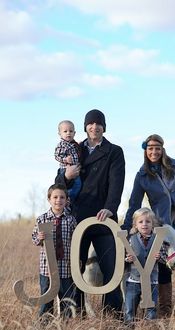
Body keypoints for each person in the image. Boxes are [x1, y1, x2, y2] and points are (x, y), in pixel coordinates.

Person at [122, 134, 175, 315]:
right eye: (150, 148)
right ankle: (165, 311)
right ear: (145, 151)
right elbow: (134, 203)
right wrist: (127, 227)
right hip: (162, 228)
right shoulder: (142, 175)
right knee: (163, 269)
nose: (154, 152)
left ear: (162, 149)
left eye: (157, 148)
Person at [55, 109, 125, 317]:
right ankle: (75, 314)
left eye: (99, 124)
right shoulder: (74, 149)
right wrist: (66, 177)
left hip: (104, 218)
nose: (94, 127)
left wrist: (110, 207)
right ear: (85, 127)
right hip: (77, 219)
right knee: (75, 268)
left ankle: (113, 315)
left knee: (112, 267)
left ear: (104, 127)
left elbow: (116, 184)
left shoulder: (114, 151)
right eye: (90, 124)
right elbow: (58, 186)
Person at [32, 183, 77, 319]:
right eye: (55, 197)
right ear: (49, 199)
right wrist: (39, 237)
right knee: (46, 299)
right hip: (47, 268)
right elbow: (34, 239)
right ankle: (45, 325)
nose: (58, 200)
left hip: (66, 268)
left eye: (62, 197)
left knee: (67, 299)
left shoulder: (70, 220)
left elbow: (75, 241)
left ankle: (67, 325)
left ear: (67, 200)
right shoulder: (42, 219)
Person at [124, 207, 167, 327]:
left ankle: (150, 329)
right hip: (134, 280)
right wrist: (128, 259)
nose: (144, 224)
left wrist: (159, 257)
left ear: (153, 224)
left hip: (151, 281)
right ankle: (129, 328)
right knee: (129, 307)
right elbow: (125, 257)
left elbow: (165, 258)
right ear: (135, 225)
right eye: (141, 222)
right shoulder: (131, 240)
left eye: (148, 222)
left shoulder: (158, 240)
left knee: (151, 309)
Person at [54, 120, 82, 204]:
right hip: (65, 169)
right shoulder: (62, 144)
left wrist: (79, 145)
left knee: (78, 185)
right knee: (75, 185)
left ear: (74, 133)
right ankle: (69, 198)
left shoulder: (73, 144)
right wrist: (65, 159)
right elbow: (57, 155)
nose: (68, 133)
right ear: (60, 134)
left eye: (71, 131)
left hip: (75, 168)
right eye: (65, 131)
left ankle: (70, 198)